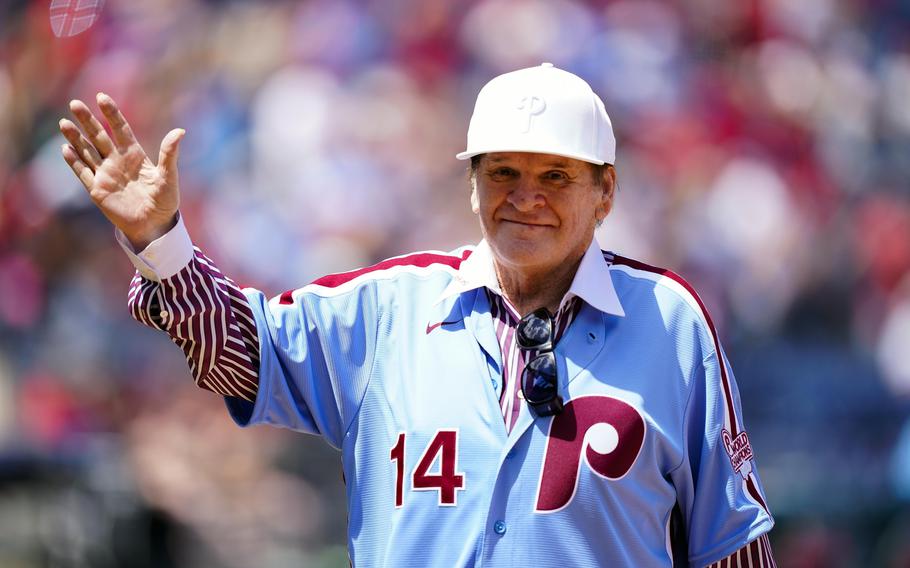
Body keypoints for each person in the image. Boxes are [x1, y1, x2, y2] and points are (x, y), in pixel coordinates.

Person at [59, 63, 775, 567]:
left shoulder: (671, 322)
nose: (526, 197)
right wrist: (163, 242)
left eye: (555, 176)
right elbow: (240, 349)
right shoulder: (389, 306)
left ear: (605, 193)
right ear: (472, 185)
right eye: (504, 173)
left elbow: (731, 547)